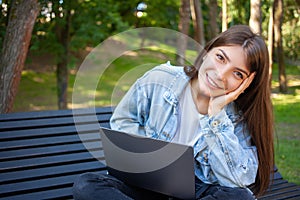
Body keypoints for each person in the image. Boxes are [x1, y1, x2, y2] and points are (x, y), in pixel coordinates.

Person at [72, 25, 274, 200]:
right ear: (207, 52)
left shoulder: (237, 118)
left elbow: (238, 181)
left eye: (237, 74)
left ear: (245, 84)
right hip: (147, 182)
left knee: (240, 197)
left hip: (197, 191)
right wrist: (151, 161)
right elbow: (124, 119)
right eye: (220, 58)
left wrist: (216, 116)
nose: (221, 75)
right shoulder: (161, 80)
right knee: (86, 185)